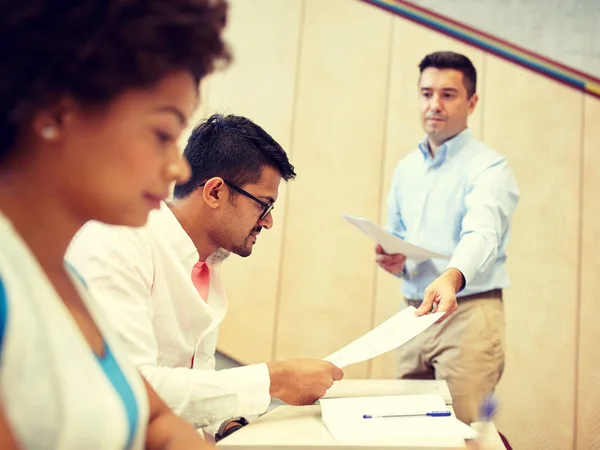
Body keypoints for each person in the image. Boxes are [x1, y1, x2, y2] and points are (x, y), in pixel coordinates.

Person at [0, 0, 231, 448]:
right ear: (55, 111)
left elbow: (153, 420)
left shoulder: (64, 279)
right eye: (163, 134)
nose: (178, 169)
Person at [67, 113, 344, 438]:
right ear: (214, 192)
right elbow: (135, 386)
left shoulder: (205, 261)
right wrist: (274, 379)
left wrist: (228, 427)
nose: (268, 222)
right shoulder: (118, 242)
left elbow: (196, 379)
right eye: (264, 206)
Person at [375, 51, 519, 424]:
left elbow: (483, 233)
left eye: (448, 94)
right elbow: (401, 235)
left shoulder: (489, 168)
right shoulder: (407, 167)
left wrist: (452, 276)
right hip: (414, 312)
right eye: (426, 93)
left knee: (462, 435)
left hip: (468, 317)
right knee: (408, 430)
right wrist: (397, 259)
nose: (434, 104)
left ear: (472, 102)